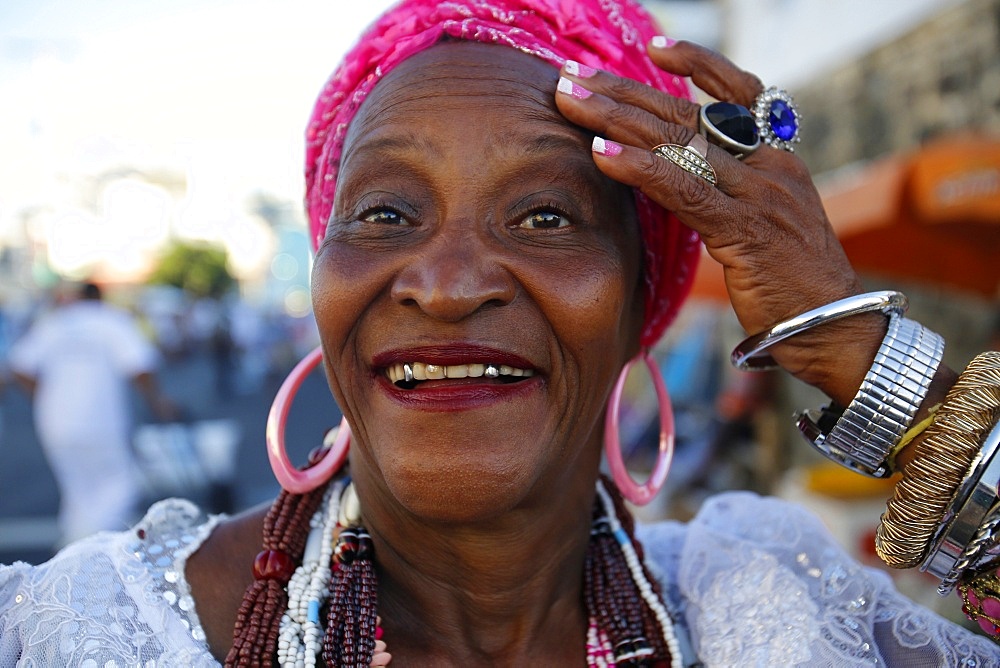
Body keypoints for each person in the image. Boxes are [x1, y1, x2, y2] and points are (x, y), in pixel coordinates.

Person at [3, 1, 1000, 665]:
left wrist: (858, 353)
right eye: (386, 214)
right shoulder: (82, 629)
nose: (443, 285)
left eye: (546, 218)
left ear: (635, 302)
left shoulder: (775, 616)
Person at [7, 281, 178, 544]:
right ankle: (86, 556)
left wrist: (43, 397)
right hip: (100, 421)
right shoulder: (110, 320)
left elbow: (18, 366)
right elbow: (140, 365)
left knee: (78, 494)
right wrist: (157, 400)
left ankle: (74, 556)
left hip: (55, 422)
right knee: (120, 487)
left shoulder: (55, 323)